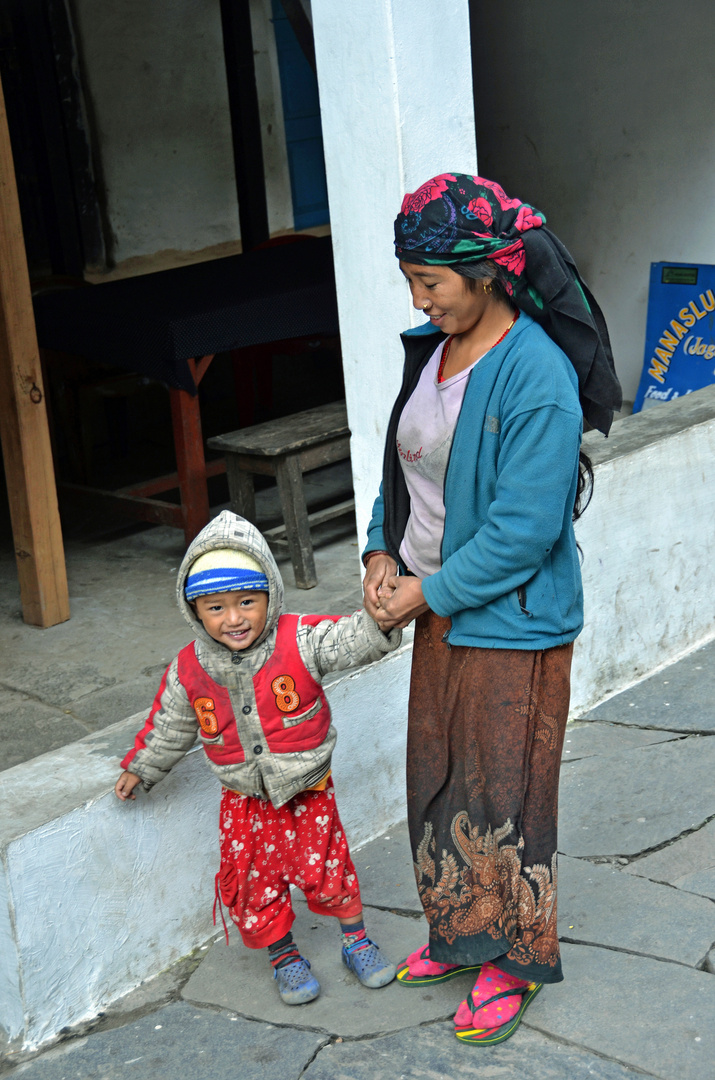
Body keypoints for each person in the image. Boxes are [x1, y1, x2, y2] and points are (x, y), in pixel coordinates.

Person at [362, 174, 621, 1046]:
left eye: (431, 282)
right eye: (411, 281)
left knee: (507, 796)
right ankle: (456, 931)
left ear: (488, 277)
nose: (419, 299)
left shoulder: (535, 374)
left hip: (512, 621)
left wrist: (423, 591)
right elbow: (402, 470)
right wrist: (377, 553)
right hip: (435, 607)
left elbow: (523, 530)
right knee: (438, 779)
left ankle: (515, 959)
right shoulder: (427, 353)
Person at [116, 509, 400, 1006]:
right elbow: (170, 726)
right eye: (216, 607)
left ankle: (356, 941)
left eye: (247, 601)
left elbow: (347, 640)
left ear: (270, 594)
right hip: (244, 800)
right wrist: (142, 767)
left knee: (330, 866)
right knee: (255, 882)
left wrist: (379, 621)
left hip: (307, 788)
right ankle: (285, 958)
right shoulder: (189, 669)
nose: (234, 618)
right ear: (194, 611)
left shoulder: (299, 638)